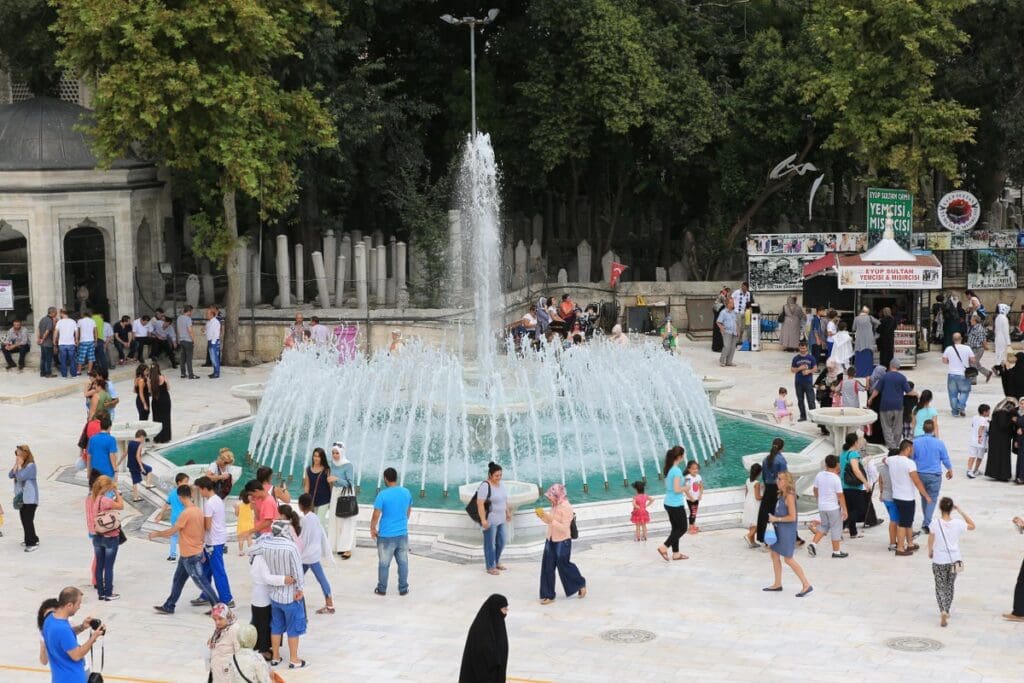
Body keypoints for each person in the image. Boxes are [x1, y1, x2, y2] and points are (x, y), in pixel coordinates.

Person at [151, 483, 221, 614]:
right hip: (188, 554)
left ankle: (218, 608)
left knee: (201, 582)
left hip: (191, 555)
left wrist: (157, 534)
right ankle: (169, 606)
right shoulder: (198, 510)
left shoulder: (186, 513)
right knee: (178, 580)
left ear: (180, 497)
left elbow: (173, 530)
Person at [258, 523, 307, 669]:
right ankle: (294, 659)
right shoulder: (291, 547)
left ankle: (275, 657)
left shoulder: (265, 544)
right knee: (293, 628)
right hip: (290, 596)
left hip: (274, 596)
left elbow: (251, 552)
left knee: (276, 627)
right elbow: (298, 571)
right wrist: (300, 589)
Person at [535, 483, 587, 604]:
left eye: (551, 496)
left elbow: (564, 528)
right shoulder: (555, 505)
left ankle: (580, 583)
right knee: (547, 566)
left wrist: (551, 520)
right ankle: (548, 595)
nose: (549, 499)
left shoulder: (566, 507)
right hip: (550, 539)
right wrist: (542, 516)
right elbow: (550, 522)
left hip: (563, 541)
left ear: (557, 495)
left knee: (564, 565)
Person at [763, 472, 813, 597]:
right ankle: (777, 583)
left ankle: (806, 584)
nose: (777, 481)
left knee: (788, 559)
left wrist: (776, 519)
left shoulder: (789, 496)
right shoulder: (782, 494)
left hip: (786, 532)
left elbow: (792, 517)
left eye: (780, 479)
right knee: (774, 554)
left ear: (786, 481)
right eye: (777, 478)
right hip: (778, 530)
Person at [41, 587, 106, 682]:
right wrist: (93, 638)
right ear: (69, 605)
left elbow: (62, 639)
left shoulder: (49, 620)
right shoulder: (63, 629)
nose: (79, 607)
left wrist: (82, 627)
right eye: (78, 604)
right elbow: (77, 655)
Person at [928, 497, 974, 627]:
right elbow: (972, 526)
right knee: (950, 585)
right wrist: (960, 511)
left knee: (939, 585)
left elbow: (931, 539)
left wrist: (930, 551)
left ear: (940, 508)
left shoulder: (935, 523)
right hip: (955, 559)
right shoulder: (958, 523)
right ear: (951, 508)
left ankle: (942, 609)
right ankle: (947, 609)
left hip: (939, 559)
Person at [371, 466, 413, 596]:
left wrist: (372, 528)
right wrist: (403, 522)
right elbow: (408, 510)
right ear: (396, 478)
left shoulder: (382, 495)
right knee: (403, 563)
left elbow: (376, 514)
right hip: (402, 534)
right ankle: (403, 588)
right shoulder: (406, 492)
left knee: (384, 564)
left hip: (386, 535)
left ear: (385, 478)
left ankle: (382, 589)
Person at [195, 477, 234, 609]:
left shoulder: (209, 503)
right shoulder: (218, 499)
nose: (200, 493)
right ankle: (206, 594)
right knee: (206, 569)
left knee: (218, 571)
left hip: (213, 542)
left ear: (205, 488)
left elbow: (207, 526)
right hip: (216, 539)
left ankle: (226, 599)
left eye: (200, 490)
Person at [888, 439, 931, 556]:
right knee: (903, 523)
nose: (913, 452)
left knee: (908, 521)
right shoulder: (909, 463)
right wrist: (926, 495)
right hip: (907, 498)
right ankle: (900, 548)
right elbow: (917, 482)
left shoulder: (891, 460)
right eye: (912, 450)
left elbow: (883, 460)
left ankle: (910, 544)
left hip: (896, 496)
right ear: (907, 449)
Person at [85, 476, 123, 601]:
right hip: (110, 536)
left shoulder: (92, 498)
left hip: (97, 535)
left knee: (99, 565)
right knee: (108, 567)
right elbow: (121, 506)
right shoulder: (105, 500)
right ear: (105, 487)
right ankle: (108, 593)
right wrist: (117, 492)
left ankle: (101, 593)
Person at [912, 419, 953, 534]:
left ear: (923, 429)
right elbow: (945, 458)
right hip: (934, 475)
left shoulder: (916, 442)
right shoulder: (939, 443)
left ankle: (926, 520)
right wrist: (949, 469)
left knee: (924, 497)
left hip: (920, 474)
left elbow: (912, 458)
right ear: (934, 429)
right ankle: (927, 523)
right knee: (932, 498)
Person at [458, 594, 509, 683]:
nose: (506, 612)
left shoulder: (497, 624)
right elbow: (481, 660)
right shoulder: (480, 630)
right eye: (504, 609)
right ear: (495, 609)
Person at [868, 358, 917, 451]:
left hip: (885, 406)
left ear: (890, 365)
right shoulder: (902, 378)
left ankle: (891, 447)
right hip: (898, 406)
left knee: (886, 428)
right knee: (897, 428)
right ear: (898, 367)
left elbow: (876, 390)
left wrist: (870, 399)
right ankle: (895, 446)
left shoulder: (884, 377)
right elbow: (909, 391)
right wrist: (917, 394)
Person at [808, 455, 848, 559]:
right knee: (836, 528)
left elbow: (815, 490)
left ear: (826, 464)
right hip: (833, 507)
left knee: (824, 526)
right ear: (837, 464)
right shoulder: (836, 478)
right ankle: (836, 552)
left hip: (822, 507)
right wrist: (844, 509)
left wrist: (819, 500)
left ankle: (813, 544)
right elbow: (840, 496)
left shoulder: (819, 475)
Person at [476, 461, 511, 575]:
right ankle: (490, 566)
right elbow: (480, 504)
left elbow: (504, 499)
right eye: (496, 475)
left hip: (501, 519)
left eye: (500, 475)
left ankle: (495, 561)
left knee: (502, 541)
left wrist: (507, 512)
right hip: (490, 521)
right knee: (490, 544)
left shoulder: (501, 484)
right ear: (490, 475)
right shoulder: (485, 486)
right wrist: (483, 520)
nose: (499, 477)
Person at [657, 446, 688, 561]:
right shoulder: (676, 470)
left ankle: (676, 554)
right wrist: (686, 488)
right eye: (683, 455)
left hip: (669, 503)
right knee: (683, 528)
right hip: (675, 504)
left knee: (675, 529)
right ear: (679, 456)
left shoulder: (669, 469)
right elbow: (676, 489)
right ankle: (664, 547)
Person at [326, 442, 356, 558]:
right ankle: (338, 546)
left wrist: (336, 479)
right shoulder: (332, 464)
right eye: (333, 453)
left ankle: (347, 548)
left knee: (346, 520)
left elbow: (350, 483)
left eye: (337, 453)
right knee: (335, 520)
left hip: (346, 493)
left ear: (342, 452)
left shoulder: (348, 465)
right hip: (335, 493)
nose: (335, 455)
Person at [756, 439, 787, 544]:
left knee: (764, 511)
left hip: (768, 487)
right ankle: (775, 537)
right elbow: (783, 477)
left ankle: (762, 536)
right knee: (776, 511)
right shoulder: (781, 460)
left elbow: (764, 476)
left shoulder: (766, 459)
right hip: (777, 488)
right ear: (782, 447)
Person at [10, 443, 40, 551]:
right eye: (16, 454)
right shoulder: (21, 465)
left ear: (25, 454)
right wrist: (16, 465)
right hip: (22, 498)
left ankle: (31, 543)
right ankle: (34, 538)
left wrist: (18, 466)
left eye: (19, 454)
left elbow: (20, 477)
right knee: (25, 520)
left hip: (30, 498)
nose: (17, 456)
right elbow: (10, 475)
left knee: (27, 520)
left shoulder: (31, 466)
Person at [839, 433, 869, 538]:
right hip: (853, 486)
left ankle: (853, 532)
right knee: (857, 509)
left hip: (844, 485)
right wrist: (865, 482)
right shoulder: (853, 454)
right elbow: (856, 470)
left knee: (850, 509)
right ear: (855, 442)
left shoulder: (843, 453)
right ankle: (841, 528)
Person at [943, 332, 976, 417]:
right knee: (964, 392)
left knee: (953, 394)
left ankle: (955, 411)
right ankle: (960, 406)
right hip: (964, 374)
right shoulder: (967, 348)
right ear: (961, 338)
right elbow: (973, 360)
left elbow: (944, 361)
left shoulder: (949, 348)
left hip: (952, 374)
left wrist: (951, 361)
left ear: (953, 339)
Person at [206, 602, 241, 683]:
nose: (217, 622)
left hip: (227, 674)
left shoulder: (234, 629)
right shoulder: (220, 629)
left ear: (227, 616)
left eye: (220, 618)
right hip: (216, 671)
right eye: (215, 619)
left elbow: (239, 652)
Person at [159, 472, 190, 560]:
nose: (187, 484)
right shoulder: (185, 493)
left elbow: (166, 505)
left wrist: (161, 514)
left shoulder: (172, 493)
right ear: (179, 482)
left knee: (174, 536)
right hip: (184, 516)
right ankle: (186, 554)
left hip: (174, 517)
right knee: (186, 535)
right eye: (186, 482)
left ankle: (172, 555)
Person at [985, 398, 1017, 482]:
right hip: (1002, 440)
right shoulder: (1003, 413)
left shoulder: (998, 411)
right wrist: (1012, 421)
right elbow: (1003, 425)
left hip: (996, 439)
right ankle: (1003, 475)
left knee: (996, 457)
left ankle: (995, 474)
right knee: (1003, 457)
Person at [86, 414, 119, 481]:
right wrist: (115, 470)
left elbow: (89, 457)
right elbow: (112, 455)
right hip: (108, 472)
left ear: (100, 426)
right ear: (109, 427)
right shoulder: (111, 439)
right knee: (108, 487)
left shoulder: (92, 439)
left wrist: (88, 472)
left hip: (95, 473)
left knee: (96, 488)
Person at [303, 447, 331, 525]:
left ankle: (323, 533)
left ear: (322, 458)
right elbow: (307, 485)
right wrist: (306, 499)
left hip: (324, 500)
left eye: (318, 456)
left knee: (319, 521)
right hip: (312, 501)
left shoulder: (327, 470)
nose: (316, 458)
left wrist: (332, 500)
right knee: (313, 522)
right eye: (315, 456)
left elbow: (330, 486)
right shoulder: (308, 469)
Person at [124, 429, 154, 501]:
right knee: (149, 469)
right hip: (137, 464)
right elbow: (137, 456)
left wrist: (119, 462)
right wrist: (141, 466)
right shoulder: (139, 444)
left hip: (131, 464)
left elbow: (125, 453)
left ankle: (135, 497)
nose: (144, 440)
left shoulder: (130, 443)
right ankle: (148, 484)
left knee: (134, 481)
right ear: (141, 437)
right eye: (144, 438)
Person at [790, 341, 817, 421]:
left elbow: (815, 368)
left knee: (811, 400)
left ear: (807, 348)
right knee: (800, 400)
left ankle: (813, 417)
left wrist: (808, 371)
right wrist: (799, 368)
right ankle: (803, 416)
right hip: (798, 382)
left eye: (804, 348)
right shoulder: (796, 358)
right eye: (801, 348)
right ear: (799, 348)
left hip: (808, 382)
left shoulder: (811, 358)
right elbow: (792, 370)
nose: (802, 350)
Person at [852, 306, 879, 376]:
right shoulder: (870, 318)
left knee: (859, 357)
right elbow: (878, 323)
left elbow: (853, 328)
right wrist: (875, 329)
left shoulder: (856, 318)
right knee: (868, 356)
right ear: (867, 312)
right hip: (869, 340)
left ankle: (858, 372)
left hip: (859, 341)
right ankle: (868, 372)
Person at [149, 363, 172, 442]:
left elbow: (150, 392)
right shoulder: (163, 377)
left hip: (155, 401)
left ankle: (158, 438)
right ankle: (165, 437)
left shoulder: (150, 380)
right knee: (166, 418)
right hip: (165, 399)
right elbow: (168, 388)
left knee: (157, 419)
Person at [966, 314, 993, 383]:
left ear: (975, 321)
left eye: (971, 320)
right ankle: (987, 373)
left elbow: (983, 340)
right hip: (972, 349)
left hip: (978, 349)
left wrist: (986, 347)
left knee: (972, 363)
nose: (970, 321)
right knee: (976, 364)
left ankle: (973, 380)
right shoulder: (973, 327)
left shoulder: (979, 329)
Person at [742, 463, 763, 549]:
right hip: (754, 503)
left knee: (752, 523)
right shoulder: (757, 483)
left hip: (748, 502)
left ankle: (752, 542)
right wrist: (765, 496)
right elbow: (757, 497)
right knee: (758, 522)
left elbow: (746, 493)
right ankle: (748, 536)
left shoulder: (747, 480)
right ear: (759, 473)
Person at [966, 404, 990, 478]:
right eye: (988, 411)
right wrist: (980, 437)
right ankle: (975, 470)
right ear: (984, 412)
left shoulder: (975, 417)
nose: (989, 413)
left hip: (973, 440)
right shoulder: (983, 420)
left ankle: (969, 470)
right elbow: (981, 429)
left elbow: (973, 425)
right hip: (981, 442)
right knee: (979, 457)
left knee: (972, 456)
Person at [55, 309, 79, 378]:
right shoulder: (73, 321)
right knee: (72, 360)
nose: (59, 315)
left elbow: (56, 332)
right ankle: (73, 374)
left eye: (60, 313)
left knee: (63, 360)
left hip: (62, 343)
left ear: (62, 313)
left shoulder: (59, 322)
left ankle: (64, 375)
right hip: (71, 343)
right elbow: (76, 332)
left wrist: (55, 340)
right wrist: (76, 340)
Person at [177, 305, 198, 379]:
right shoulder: (188, 319)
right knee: (189, 358)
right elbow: (190, 330)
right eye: (191, 311)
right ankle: (191, 375)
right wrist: (193, 340)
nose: (191, 313)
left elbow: (178, 330)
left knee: (182, 358)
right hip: (188, 341)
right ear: (189, 311)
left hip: (181, 340)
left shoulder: (179, 318)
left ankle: (183, 373)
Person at [716, 297, 738, 367]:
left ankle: (729, 362)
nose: (733, 304)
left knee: (732, 347)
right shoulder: (723, 312)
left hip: (734, 332)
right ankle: (722, 360)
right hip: (727, 332)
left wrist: (737, 330)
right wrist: (721, 328)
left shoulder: (734, 312)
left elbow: (736, 322)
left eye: (733, 302)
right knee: (727, 346)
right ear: (728, 304)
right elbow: (718, 322)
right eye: (732, 303)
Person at [75, 309, 97, 375]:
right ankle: (89, 371)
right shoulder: (92, 321)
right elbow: (95, 331)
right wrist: (95, 340)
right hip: (91, 341)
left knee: (81, 357)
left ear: (83, 314)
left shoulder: (80, 321)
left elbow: (78, 331)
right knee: (91, 357)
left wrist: (77, 340)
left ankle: (79, 371)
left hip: (83, 341)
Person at [684, 460, 703, 533]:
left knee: (694, 513)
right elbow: (686, 490)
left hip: (696, 498)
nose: (695, 470)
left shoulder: (698, 477)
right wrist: (691, 497)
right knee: (693, 513)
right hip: (690, 499)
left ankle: (693, 526)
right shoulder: (688, 478)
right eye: (693, 469)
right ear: (689, 469)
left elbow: (701, 486)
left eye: (696, 468)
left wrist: (700, 494)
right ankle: (690, 528)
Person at [37, 308, 57, 377]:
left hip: (43, 343)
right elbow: (48, 331)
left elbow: (38, 329)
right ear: (52, 312)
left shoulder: (42, 319)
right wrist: (43, 339)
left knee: (43, 358)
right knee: (48, 359)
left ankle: (42, 373)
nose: (56, 314)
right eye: (55, 312)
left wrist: (39, 339)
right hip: (48, 343)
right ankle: (48, 373)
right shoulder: (49, 320)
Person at [993, 303, 1011, 372]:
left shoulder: (998, 317)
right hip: (1003, 338)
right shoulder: (1004, 318)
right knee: (1002, 353)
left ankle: (998, 367)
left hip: (997, 337)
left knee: (998, 353)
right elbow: (1006, 331)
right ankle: (998, 368)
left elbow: (995, 329)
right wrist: (1008, 342)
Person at [711, 287, 730, 352]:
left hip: (718, 316)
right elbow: (726, 304)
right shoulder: (722, 296)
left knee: (718, 332)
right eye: (726, 291)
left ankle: (717, 347)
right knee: (719, 332)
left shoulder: (720, 297)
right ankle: (718, 347)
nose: (726, 292)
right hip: (719, 315)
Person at [236, 489, 254, 555]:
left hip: (241, 524)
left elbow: (237, 514)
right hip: (250, 524)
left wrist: (235, 508)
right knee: (249, 538)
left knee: (241, 539)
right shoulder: (251, 504)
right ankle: (250, 552)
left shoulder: (238, 504)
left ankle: (241, 552)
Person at [206, 305, 222, 378]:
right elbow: (209, 331)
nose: (206, 315)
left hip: (214, 342)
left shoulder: (215, 322)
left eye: (207, 314)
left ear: (212, 314)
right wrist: (204, 332)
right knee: (213, 358)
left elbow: (216, 333)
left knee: (215, 358)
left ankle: (216, 373)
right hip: (210, 341)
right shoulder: (209, 322)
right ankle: (215, 371)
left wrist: (213, 342)